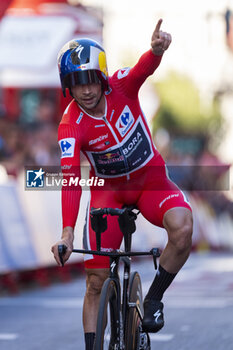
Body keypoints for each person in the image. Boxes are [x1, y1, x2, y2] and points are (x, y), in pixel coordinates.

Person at [51, 19, 193, 350]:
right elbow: (71, 178)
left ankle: (154, 299)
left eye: (90, 81)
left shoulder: (122, 87)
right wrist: (67, 233)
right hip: (108, 193)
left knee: (183, 229)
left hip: (150, 181)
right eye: (76, 83)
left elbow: (143, 68)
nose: (85, 90)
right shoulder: (70, 125)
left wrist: (156, 51)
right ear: (67, 88)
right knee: (96, 281)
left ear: (102, 79)